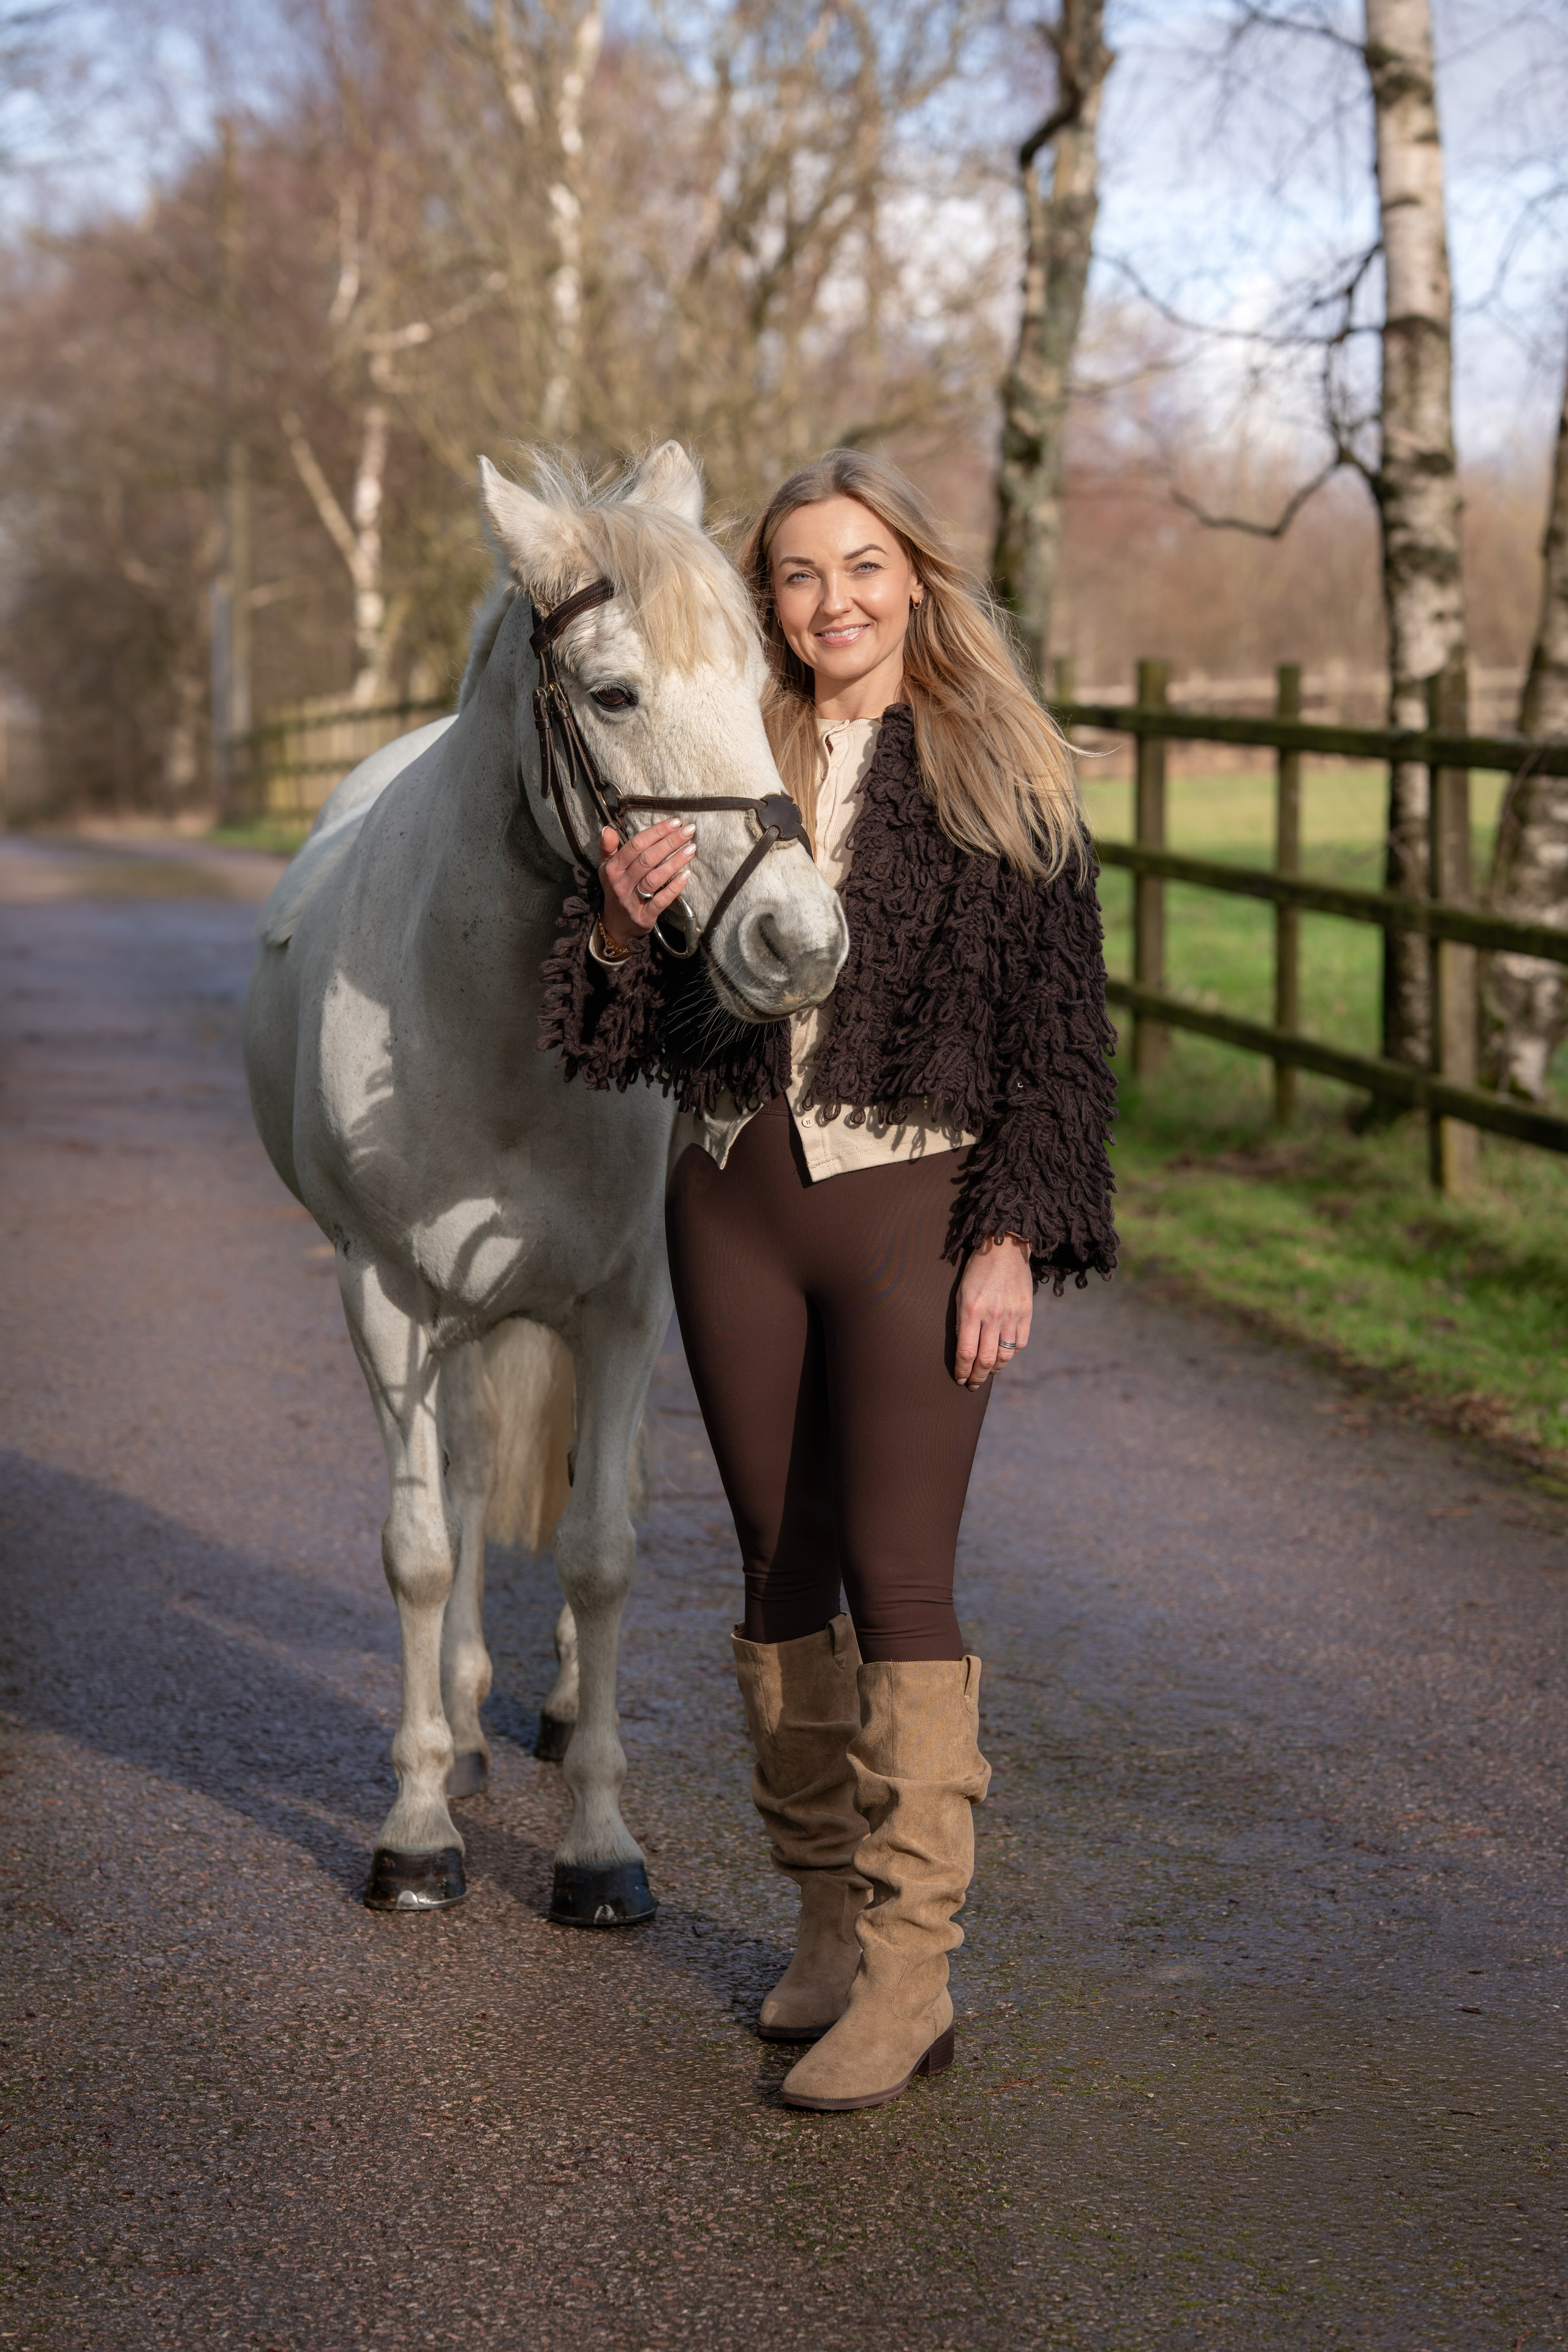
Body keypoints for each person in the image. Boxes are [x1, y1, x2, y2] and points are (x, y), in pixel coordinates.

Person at [541, 448, 1116, 2111]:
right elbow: (627, 1045)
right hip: (731, 1201)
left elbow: (1062, 1044)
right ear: (764, 600)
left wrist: (1013, 1234)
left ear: (916, 578)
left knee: (898, 1575)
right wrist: (618, 931)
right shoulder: (725, 750)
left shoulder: (1004, 772)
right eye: (797, 575)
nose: (832, 601)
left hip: (914, 1214)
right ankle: (816, 1926)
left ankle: (911, 1969)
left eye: (861, 567)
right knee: (777, 1562)